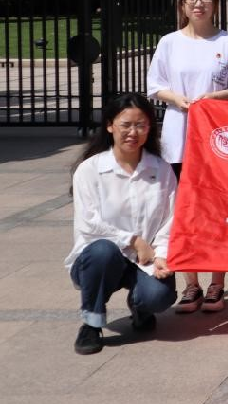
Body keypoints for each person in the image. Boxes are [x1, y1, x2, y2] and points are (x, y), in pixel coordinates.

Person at [146, 0, 228, 314]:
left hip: (217, 141)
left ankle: (217, 282)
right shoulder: (169, 43)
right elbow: (154, 85)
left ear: (216, 3)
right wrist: (176, 98)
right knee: (182, 210)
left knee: (218, 210)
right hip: (179, 138)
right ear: (182, 4)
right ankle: (190, 283)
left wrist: (214, 98)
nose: (199, 3)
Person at [66, 93, 177, 355]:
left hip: (145, 259)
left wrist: (162, 254)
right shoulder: (90, 170)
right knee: (103, 251)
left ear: (149, 128)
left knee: (159, 296)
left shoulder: (161, 169)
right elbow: (89, 223)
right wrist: (133, 240)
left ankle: (140, 307)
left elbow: (172, 218)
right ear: (110, 126)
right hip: (98, 259)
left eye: (141, 125)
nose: (133, 132)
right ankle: (91, 323)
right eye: (126, 125)